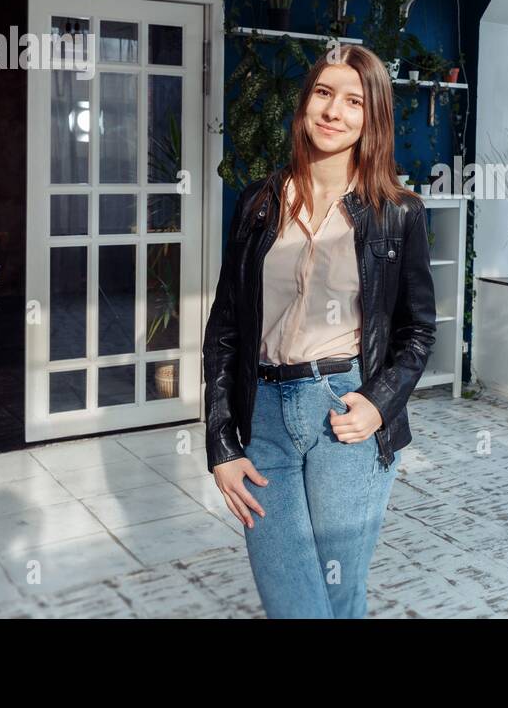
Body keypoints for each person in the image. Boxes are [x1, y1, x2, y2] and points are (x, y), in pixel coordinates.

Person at [202, 43, 437, 618]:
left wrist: (380, 404)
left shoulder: (397, 211)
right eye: (324, 94)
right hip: (262, 416)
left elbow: (418, 331)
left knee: (337, 595)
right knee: (291, 599)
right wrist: (220, 442)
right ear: (305, 104)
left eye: (353, 101)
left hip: (345, 412)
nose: (334, 112)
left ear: (372, 116)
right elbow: (226, 327)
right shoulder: (257, 202)